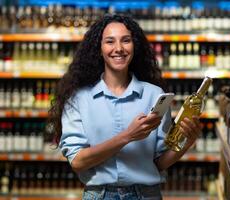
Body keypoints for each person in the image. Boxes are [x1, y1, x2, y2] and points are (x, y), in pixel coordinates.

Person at [48, 13, 202, 200]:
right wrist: (128, 136)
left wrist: (186, 142)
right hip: (99, 195)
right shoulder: (79, 99)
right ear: (99, 48)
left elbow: (158, 163)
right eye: (110, 42)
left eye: (126, 41)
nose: (119, 48)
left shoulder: (155, 95)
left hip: (146, 195)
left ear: (134, 46)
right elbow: (78, 161)